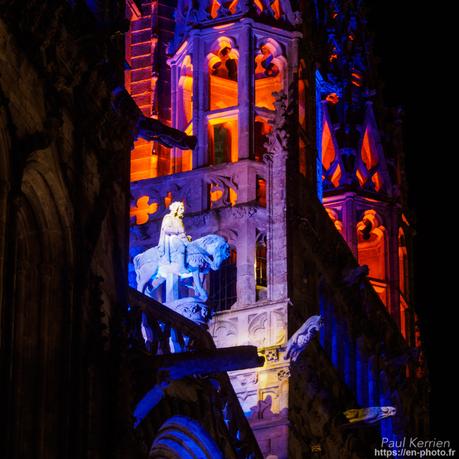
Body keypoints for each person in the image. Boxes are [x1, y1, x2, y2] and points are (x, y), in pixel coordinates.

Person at [157, 201, 191, 274]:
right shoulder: (169, 217)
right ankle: (181, 267)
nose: (183, 211)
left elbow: (182, 233)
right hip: (172, 239)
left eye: (183, 209)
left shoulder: (179, 220)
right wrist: (177, 231)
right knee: (181, 247)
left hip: (180, 238)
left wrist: (186, 237)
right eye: (181, 209)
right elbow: (166, 229)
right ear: (176, 209)